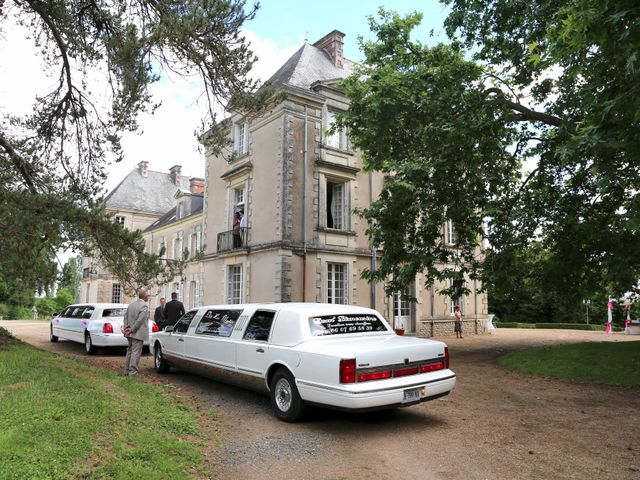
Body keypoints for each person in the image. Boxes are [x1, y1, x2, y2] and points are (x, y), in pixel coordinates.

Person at [123, 288, 149, 377]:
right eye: (147, 295)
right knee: (135, 353)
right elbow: (140, 321)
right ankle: (133, 373)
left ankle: (126, 371)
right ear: (145, 297)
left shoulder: (131, 305)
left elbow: (125, 317)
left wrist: (127, 328)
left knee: (129, 351)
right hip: (137, 333)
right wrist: (132, 329)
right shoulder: (144, 306)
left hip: (129, 333)